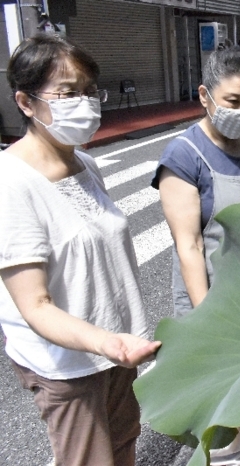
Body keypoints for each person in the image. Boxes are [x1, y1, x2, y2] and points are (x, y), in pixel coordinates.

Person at [0, 34, 161, 466]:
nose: (86, 103)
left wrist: (117, 345)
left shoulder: (84, 163)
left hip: (115, 348)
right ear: (26, 102)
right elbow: (35, 305)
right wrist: (107, 343)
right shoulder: (10, 184)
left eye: (91, 91)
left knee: (124, 445)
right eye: (68, 93)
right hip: (68, 364)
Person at [151, 45, 240, 465]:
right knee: (223, 414)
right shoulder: (183, 156)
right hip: (211, 296)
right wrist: (210, 323)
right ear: (204, 96)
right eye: (233, 101)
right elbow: (189, 246)